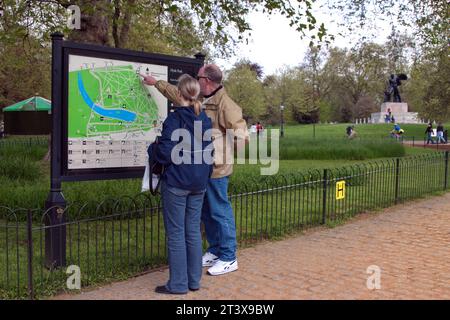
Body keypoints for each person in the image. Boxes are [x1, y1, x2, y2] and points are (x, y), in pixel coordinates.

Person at [141, 64, 248, 276]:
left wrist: (219, 149)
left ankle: (229, 257)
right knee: (207, 213)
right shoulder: (201, 99)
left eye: (198, 77)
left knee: (220, 211)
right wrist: (156, 83)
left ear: (206, 80)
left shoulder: (226, 104)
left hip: (216, 169)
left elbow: (242, 137)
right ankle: (216, 250)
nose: (195, 80)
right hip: (202, 169)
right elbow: (178, 94)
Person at [148, 74, 213, 294]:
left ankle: (177, 284)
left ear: (179, 93)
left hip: (177, 182)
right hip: (199, 182)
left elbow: (165, 154)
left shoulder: (175, 119)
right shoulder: (204, 119)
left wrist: (152, 149)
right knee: (193, 231)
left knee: (176, 233)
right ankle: (193, 282)